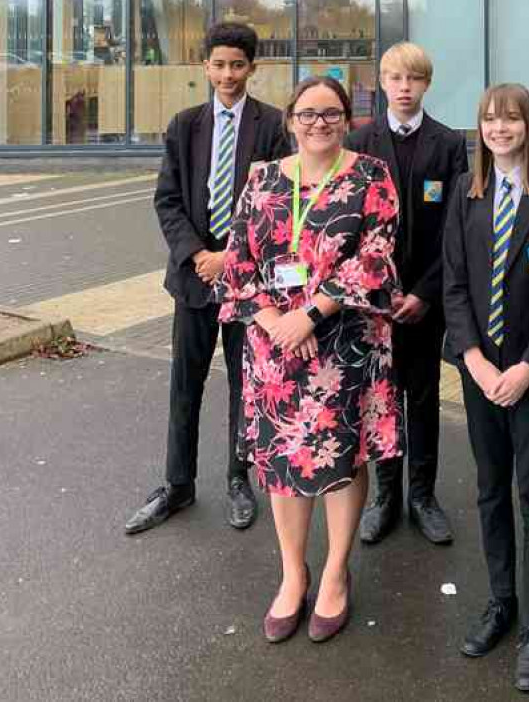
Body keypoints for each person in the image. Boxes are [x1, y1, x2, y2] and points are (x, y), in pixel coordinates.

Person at [218, 76, 404, 643]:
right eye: (307, 114)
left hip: (346, 345)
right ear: (291, 121)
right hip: (276, 351)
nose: (318, 123)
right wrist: (277, 323)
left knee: (344, 459)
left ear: (347, 119)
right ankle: (292, 574)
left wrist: (312, 316)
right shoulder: (264, 180)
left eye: (330, 114)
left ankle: (334, 573)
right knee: (283, 465)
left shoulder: (371, 176)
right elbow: (239, 261)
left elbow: (374, 258)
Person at [126, 22, 291, 535]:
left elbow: (276, 205)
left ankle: (239, 479)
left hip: (247, 283)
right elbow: (167, 200)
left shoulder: (271, 127)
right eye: (218, 64)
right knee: (185, 385)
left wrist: (233, 256)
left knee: (246, 385)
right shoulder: (184, 126)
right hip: (195, 278)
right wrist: (198, 253)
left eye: (237, 65)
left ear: (252, 68)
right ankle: (178, 485)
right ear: (205, 66)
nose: (227, 74)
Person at [443, 83, 529, 693]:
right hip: (480, 372)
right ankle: (501, 600)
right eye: (489, 121)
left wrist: (527, 367)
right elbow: (453, 284)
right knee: (491, 488)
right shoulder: (465, 195)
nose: (500, 130)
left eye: (511, 120)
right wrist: (473, 358)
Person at [345, 42, 468, 546]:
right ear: (382, 82)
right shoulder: (360, 141)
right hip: (374, 303)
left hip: (424, 297)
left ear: (426, 85)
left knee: (422, 396)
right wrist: (380, 292)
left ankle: (423, 495)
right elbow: (349, 228)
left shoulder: (448, 144)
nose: (403, 87)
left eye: (413, 79)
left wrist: (423, 292)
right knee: (381, 399)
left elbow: (456, 230)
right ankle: (386, 496)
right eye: (394, 78)